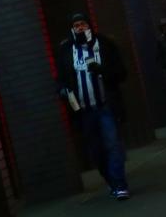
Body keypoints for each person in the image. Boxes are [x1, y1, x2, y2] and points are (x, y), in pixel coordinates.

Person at [58, 12, 131, 201]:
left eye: (83, 24)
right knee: (96, 151)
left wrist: (101, 71)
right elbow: (61, 78)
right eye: (76, 25)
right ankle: (111, 181)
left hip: (105, 107)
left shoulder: (104, 44)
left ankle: (120, 184)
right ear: (72, 29)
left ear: (89, 25)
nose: (80, 28)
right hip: (83, 111)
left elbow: (121, 73)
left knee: (112, 145)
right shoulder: (66, 50)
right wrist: (63, 90)